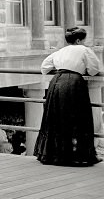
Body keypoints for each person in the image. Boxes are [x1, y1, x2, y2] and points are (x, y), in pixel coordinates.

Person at [34, 26, 101, 167]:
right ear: (78, 40)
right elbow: (94, 70)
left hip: (57, 82)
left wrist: (60, 67)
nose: (84, 43)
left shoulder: (60, 51)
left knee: (56, 118)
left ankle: (55, 155)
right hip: (74, 83)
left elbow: (44, 68)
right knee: (78, 118)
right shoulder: (84, 50)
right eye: (83, 40)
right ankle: (78, 156)